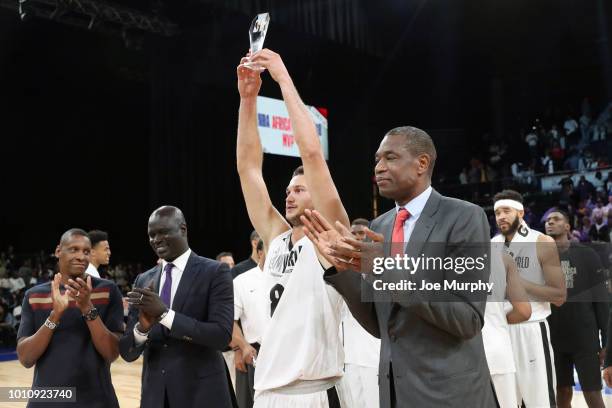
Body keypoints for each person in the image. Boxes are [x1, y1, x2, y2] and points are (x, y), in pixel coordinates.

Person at [301, 126, 497, 407]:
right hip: (395, 393)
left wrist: (384, 268)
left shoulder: (464, 217)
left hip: (450, 394)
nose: (379, 168)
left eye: (390, 158)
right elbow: (380, 324)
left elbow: (468, 319)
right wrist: (342, 268)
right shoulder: (380, 225)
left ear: (422, 163)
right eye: (377, 160)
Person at [236, 49, 348, 407]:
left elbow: (312, 154)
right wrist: (248, 99)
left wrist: (283, 79)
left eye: (299, 189)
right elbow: (249, 169)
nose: (289, 195)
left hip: (312, 389)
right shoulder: (276, 236)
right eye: (287, 190)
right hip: (268, 386)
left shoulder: (331, 230)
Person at [120, 206, 235, 408]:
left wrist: (164, 314)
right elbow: (128, 352)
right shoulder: (143, 279)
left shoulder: (215, 272)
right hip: (155, 396)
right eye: (152, 234)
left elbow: (221, 336)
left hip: (202, 395)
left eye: (163, 232)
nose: (156, 239)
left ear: (182, 229)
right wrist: (142, 329)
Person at [17, 228, 124, 408]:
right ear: (58, 251)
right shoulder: (34, 295)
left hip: (97, 399)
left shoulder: (108, 290)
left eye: (86, 251)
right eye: (74, 249)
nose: (81, 257)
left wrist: (87, 307)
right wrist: (55, 315)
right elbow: (26, 358)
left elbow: (112, 353)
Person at [492, 190, 566, 407]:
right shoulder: (492, 244)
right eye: (497, 212)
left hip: (531, 329)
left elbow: (559, 296)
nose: (501, 217)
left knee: (539, 401)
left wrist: (516, 282)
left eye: (506, 211)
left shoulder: (541, 241)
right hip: (500, 331)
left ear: (520, 212)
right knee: (505, 401)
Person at [545, 210, 607, 408]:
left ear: (567, 226)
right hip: (554, 338)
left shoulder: (587, 254)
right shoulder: (540, 258)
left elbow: (602, 301)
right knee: (561, 393)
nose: (550, 223)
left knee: (592, 394)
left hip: (585, 337)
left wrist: (606, 342)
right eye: (547, 220)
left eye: (556, 219)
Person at [334, 218, 381, 408]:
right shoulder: (342, 267)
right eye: (354, 234)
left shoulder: (380, 267)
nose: (357, 238)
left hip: (373, 357)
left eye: (362, 234)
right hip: (347, 359)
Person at [482, 245, 532, 408]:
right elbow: (524, 311)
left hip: (460, 352)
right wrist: (498, 319)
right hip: (498, 351)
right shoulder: (502, 257)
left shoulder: (442, 255)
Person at [231, 239, 266, 408]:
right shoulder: (241, 281)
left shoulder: (290, 280)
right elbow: (230, 320)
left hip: (285, 353)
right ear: (260, 253)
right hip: (253, 354)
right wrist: (240, 347)